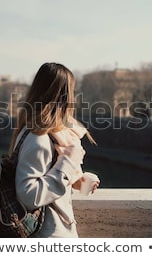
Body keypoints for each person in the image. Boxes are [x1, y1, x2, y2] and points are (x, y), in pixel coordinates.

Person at [9, 62, 99, 238]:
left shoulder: (39, 132)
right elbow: (28, 196)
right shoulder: (39, 138)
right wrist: (68, 163)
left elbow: (48, 176)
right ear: (65, 95)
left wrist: (77, 180)